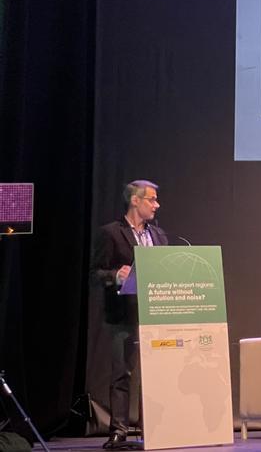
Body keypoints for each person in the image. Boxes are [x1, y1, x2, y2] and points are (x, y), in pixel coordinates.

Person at [91, 180, 169, 449]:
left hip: (155, 312)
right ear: (135, 201)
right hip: (123, 314)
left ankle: (155, 427)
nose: (157, 205)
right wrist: (116, 275)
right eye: (152, 199)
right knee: (122, 373)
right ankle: (119, 430)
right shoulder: (111, 233)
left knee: (155, 373)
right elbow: (95, 274)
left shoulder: (158, 235)